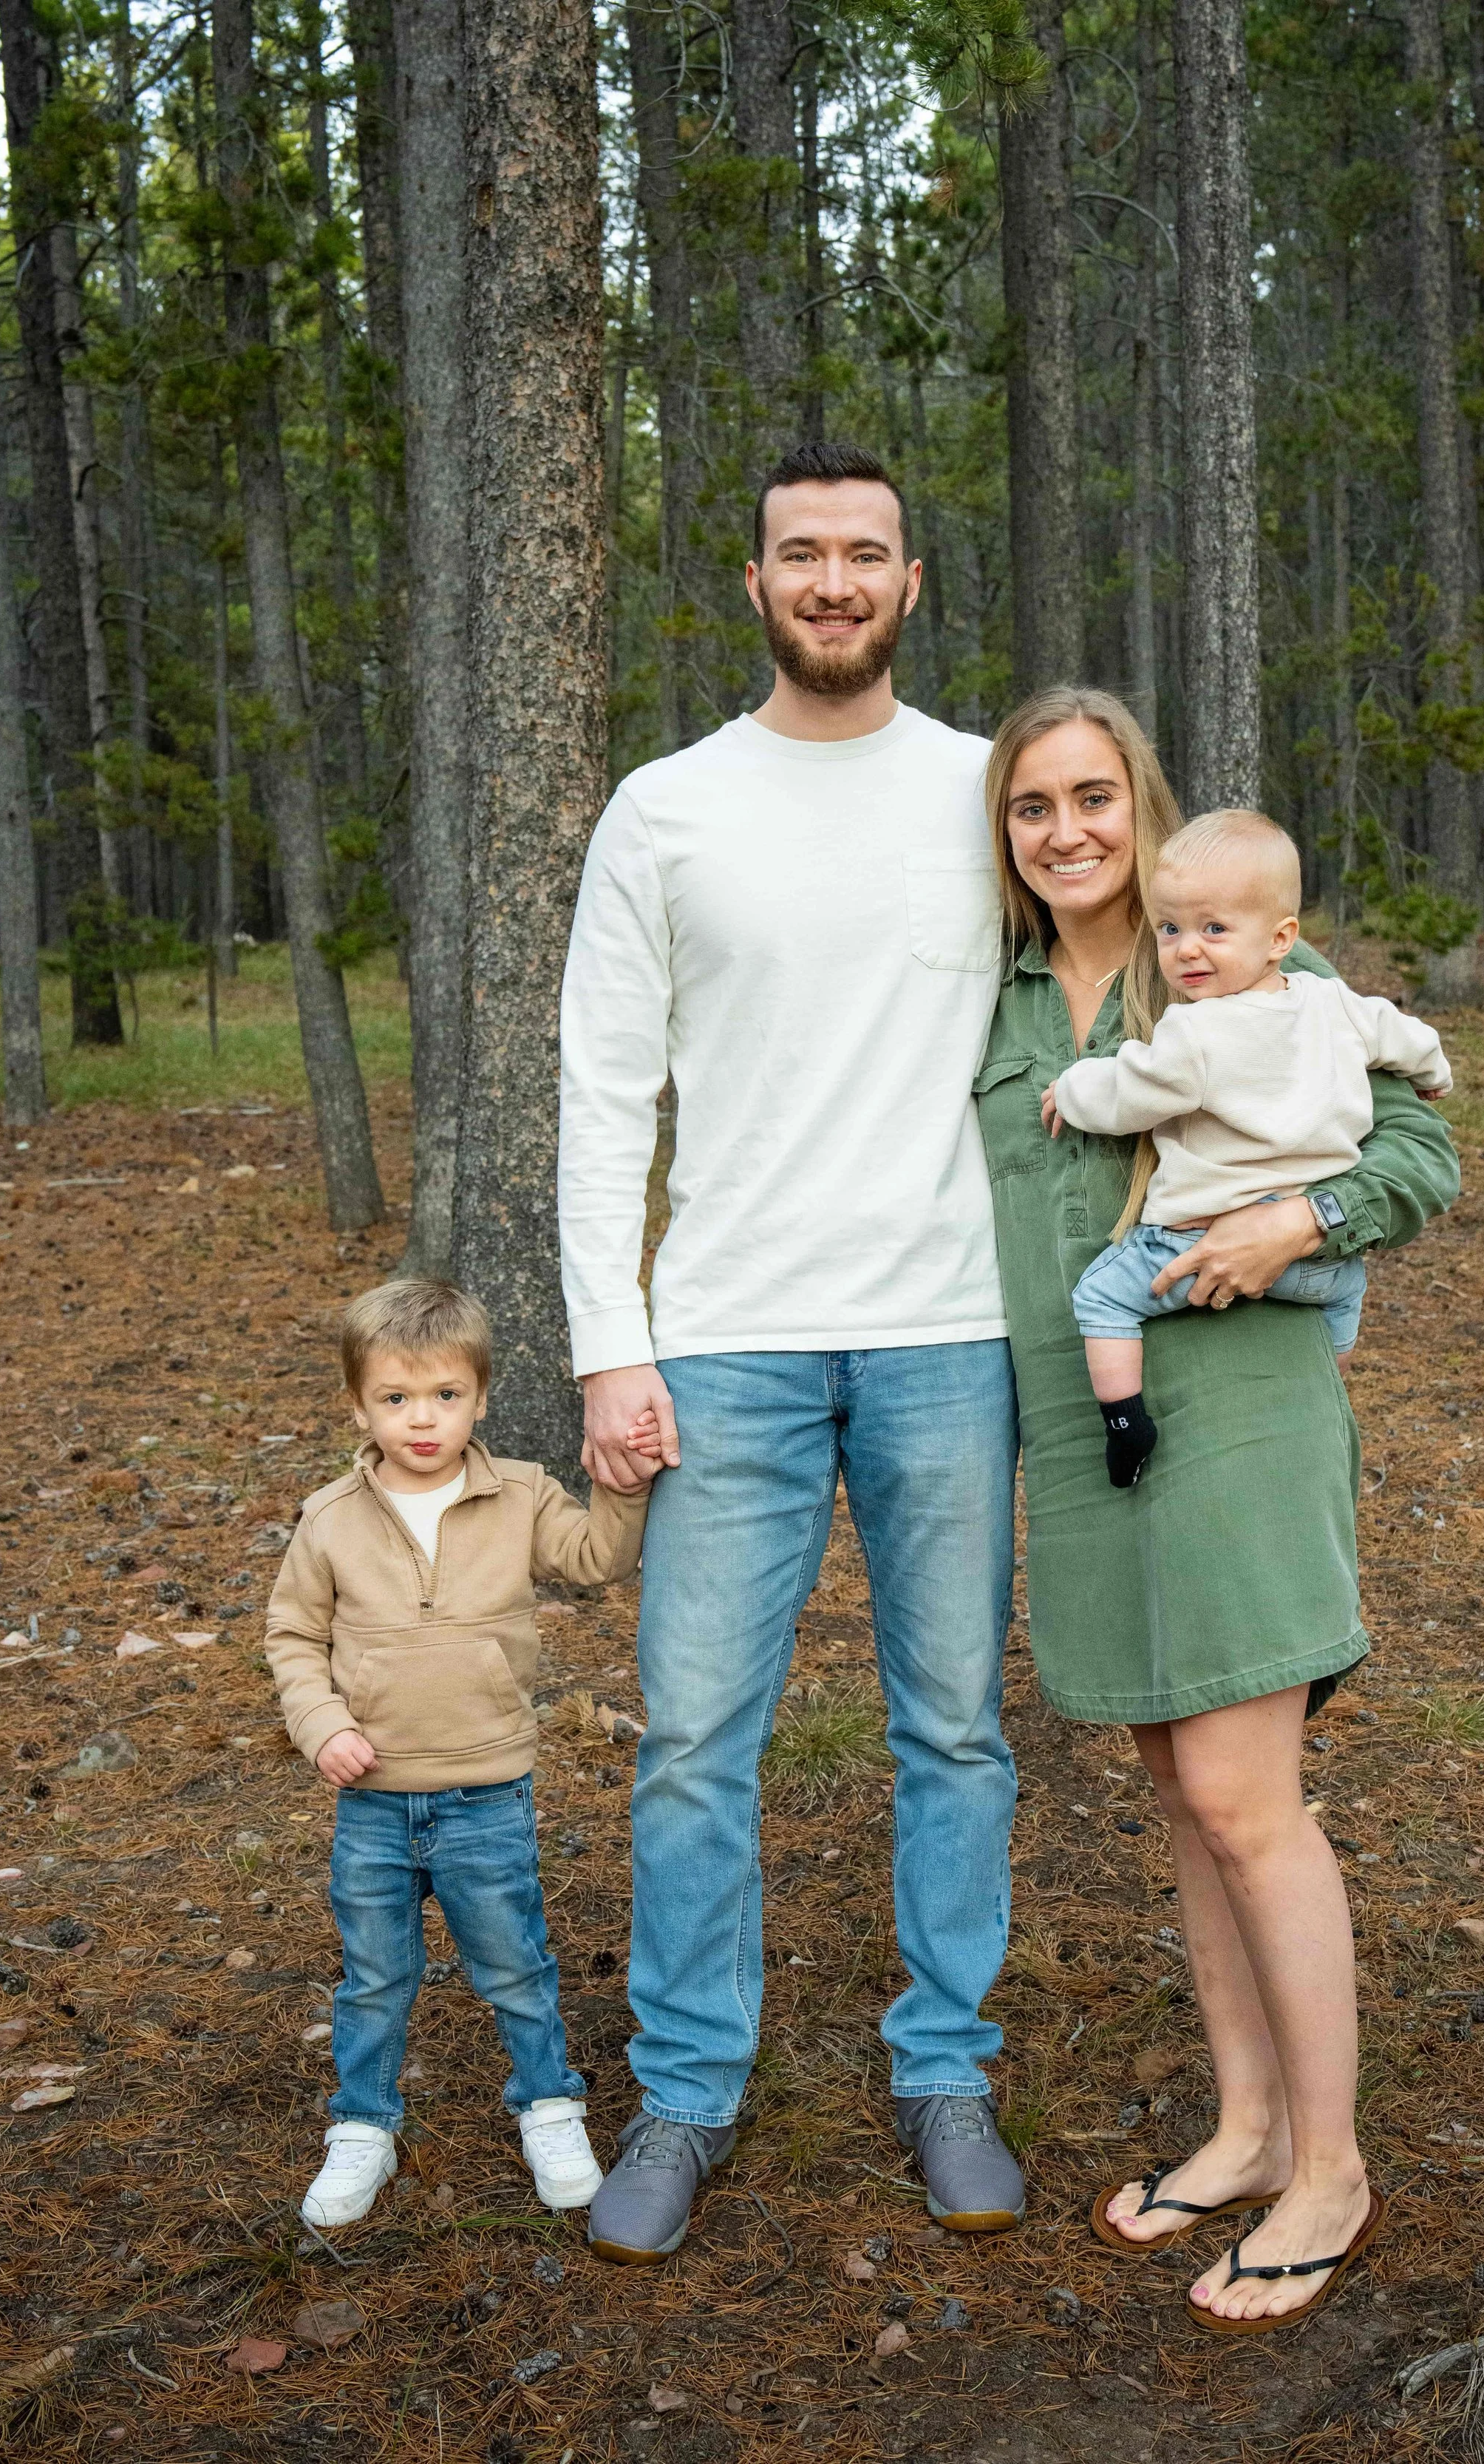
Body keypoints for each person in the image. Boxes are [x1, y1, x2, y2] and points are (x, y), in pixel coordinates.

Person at [559, 441, 1026, 2264]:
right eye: (799, 554)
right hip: (729, 1342)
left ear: (913, 585)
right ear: (749, 585)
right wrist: (616, 1345)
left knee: (958, 1733)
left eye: (867, 555)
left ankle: (947, 2071)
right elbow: (603, 1095)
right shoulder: (666, 809)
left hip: (949, 1333)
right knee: (691, 1742)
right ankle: (683, 2093)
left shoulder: (992, 791)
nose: (833, 581)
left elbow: (1152, 965)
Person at [973, 689, 1458, 2332]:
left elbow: (1418, 1152)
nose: (1067, 832)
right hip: (1082, 1417)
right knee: (1179, 1782)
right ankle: (1244, 2123)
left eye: (1093, 796)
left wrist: (1298, 1218)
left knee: (1250, 1793)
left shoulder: (1265, 967)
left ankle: (1328, 2162)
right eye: (1032, 805)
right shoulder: (994, 1002)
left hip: (1239, 1402)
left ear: (1142, 805)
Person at [264, 1279, 650, 2230]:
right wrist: (324, 1727)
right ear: (358, 1407)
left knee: (514, 1963)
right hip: (375, 1800)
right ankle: (361, 2124)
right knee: (375, 1975)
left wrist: (623, 1486)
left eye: (444, 1395)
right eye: (396, 1399)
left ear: (479, 1398)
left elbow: (596, 1558)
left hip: (487, 1794)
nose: (422, 1419)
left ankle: (550, 2106)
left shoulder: (517, 1494)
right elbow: (290, 1636)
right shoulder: (330, 1518)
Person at [1045, 807, 1452, 1486]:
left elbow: (1128, 1095)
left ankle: (1124, 1426)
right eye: (1170, 928)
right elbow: (1408, 1036)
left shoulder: (1194, 1033)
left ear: (1280, 937)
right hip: (1319, 1261)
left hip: (1194, 1243)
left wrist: (1073, 1088)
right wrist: (1434, 1075)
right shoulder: (1336, 1003)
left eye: (1214, 929)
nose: (1186, 949)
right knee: (1345, 1310)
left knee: (1102, 1300)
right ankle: (1333, 1399)